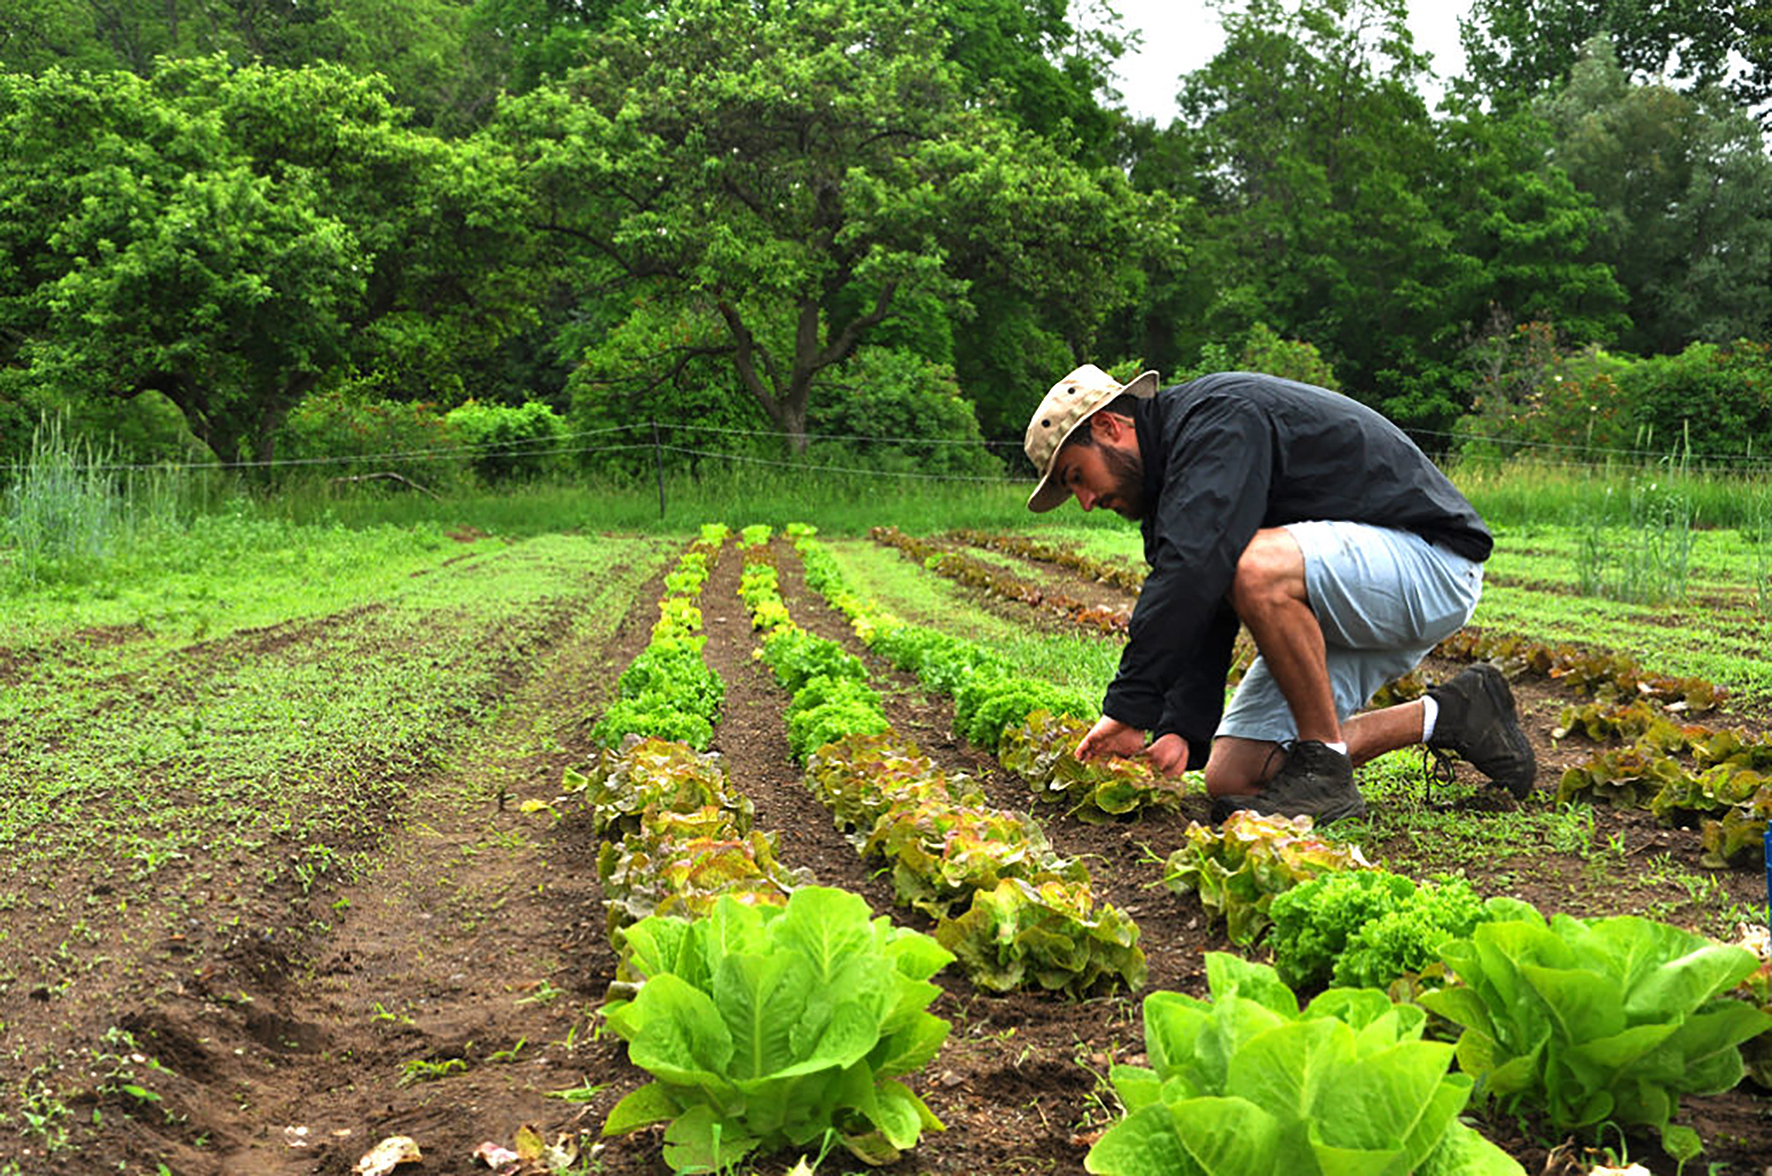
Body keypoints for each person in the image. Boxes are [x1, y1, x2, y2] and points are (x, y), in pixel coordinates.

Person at [1023, 364, 1535, 823]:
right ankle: (1456, 712)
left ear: (1109, 427)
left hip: (1432, 564)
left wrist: (1129, 710)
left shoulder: (1218, 419)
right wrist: (1179, 728)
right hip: (1347, 594)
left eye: (1077, 477)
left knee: (1252, 567)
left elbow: (1195, 570)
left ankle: (1325, 762)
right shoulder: (1172, 488)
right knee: (1235, 777)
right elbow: (1200, 605)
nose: (1086, 502)